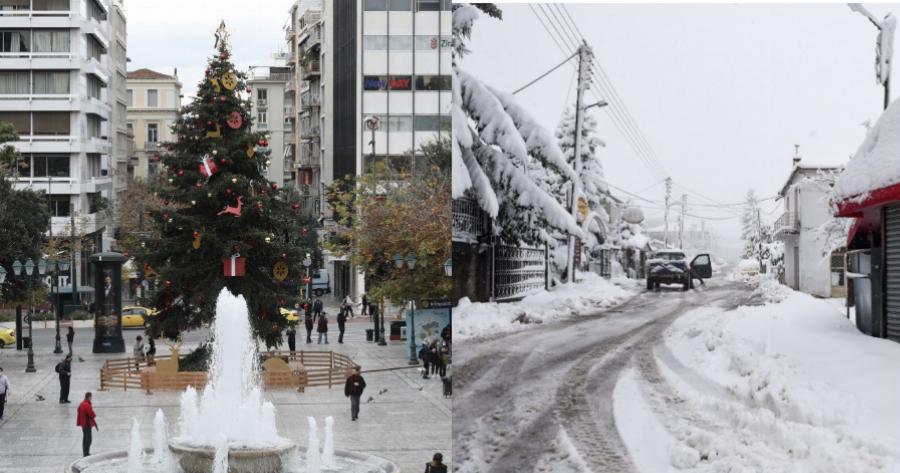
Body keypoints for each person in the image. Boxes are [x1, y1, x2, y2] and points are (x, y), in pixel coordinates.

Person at [76, 392, 99, 457]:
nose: (91, 398)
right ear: (88, 397)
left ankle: (85, 452)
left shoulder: (82, 404)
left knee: (85, 437)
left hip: (83, 424)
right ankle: (86, 453)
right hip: (87, 424)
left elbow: (78, 410)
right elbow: (92, 414)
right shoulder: (87, 405)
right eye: (91, 397)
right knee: (88, 439)